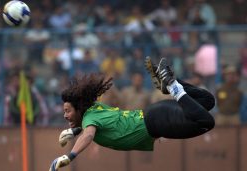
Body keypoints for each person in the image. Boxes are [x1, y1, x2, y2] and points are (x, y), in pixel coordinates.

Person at [49, 57, 215, 171]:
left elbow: (89, 135)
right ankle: (172, 85)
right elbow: (92, 127)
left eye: (67, 111)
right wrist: (73, 131)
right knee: (207, 101)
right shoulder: (94, 109)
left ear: (79, 109)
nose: (65, 115)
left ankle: (172, 86)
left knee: (206, 122)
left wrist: (70, 156)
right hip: (155, 114)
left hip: (157, 123)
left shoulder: (90, 119)